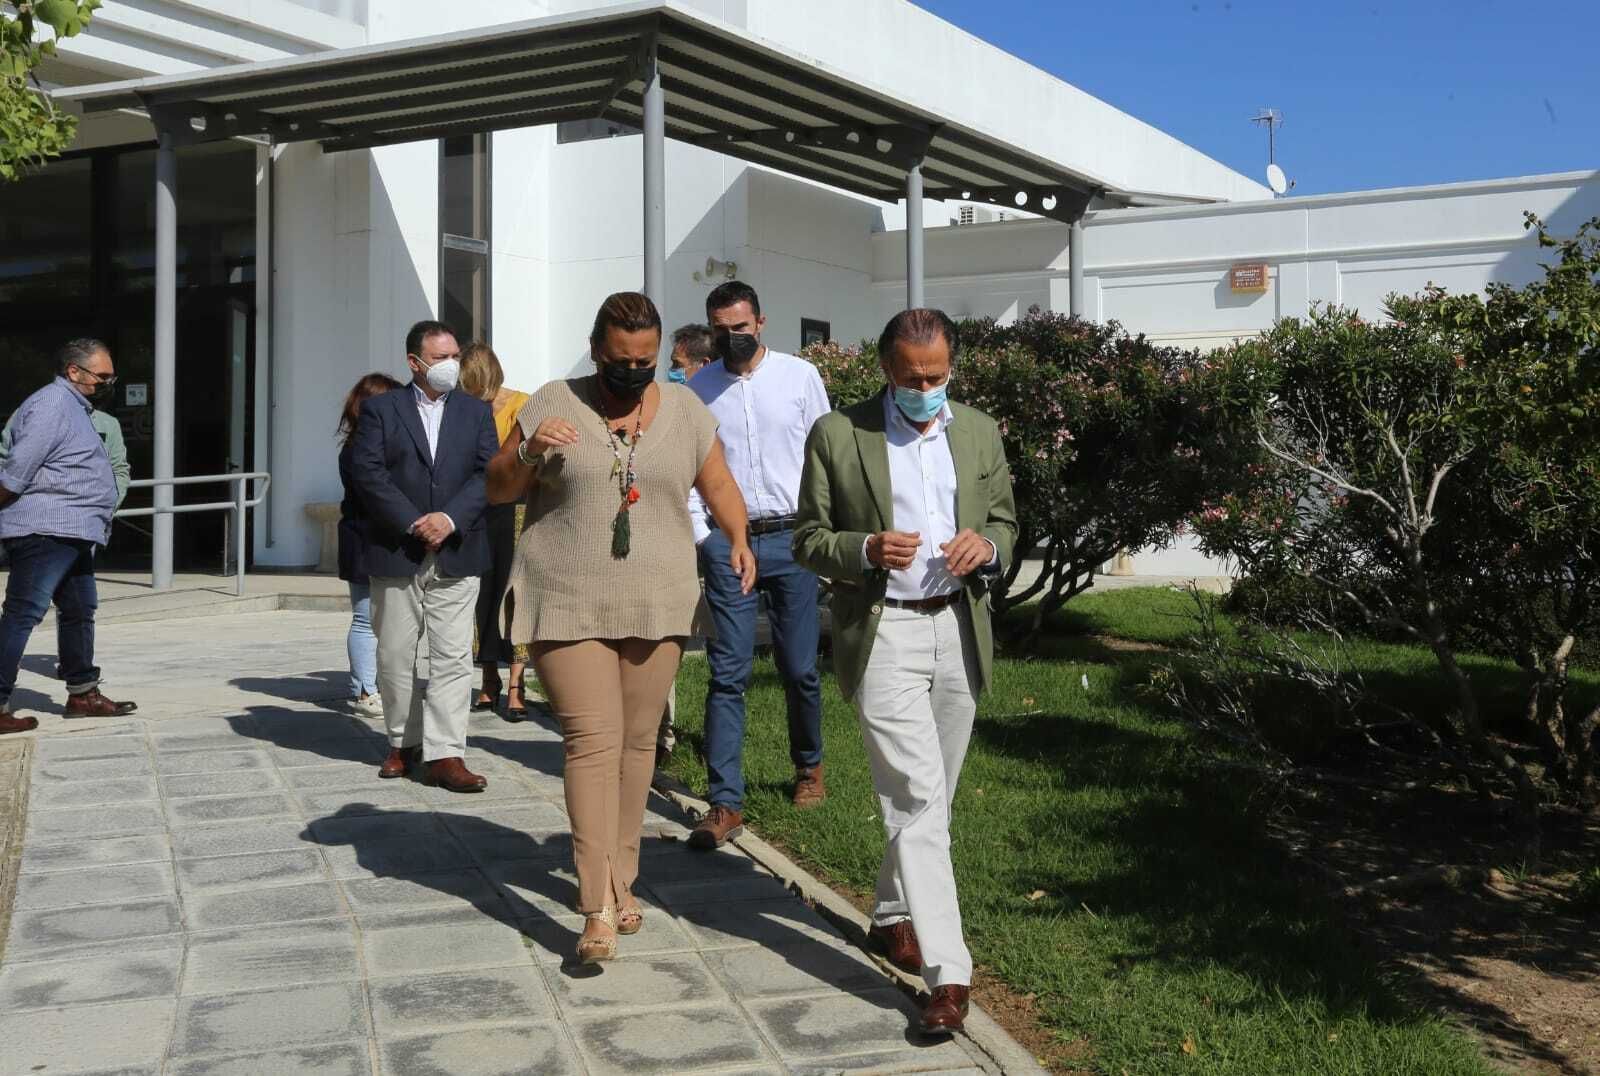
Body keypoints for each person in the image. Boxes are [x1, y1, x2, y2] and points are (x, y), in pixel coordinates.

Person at [486, 291, 755, 964]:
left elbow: (718, 482)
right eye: (620, 359)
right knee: (592, 741)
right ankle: (596, 904)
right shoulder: (552, 400)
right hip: (566, 595)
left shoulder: (686, 410)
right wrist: (529, 453)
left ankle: (622, 877)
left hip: (658, 598)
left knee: (638, 746)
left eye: (645, 360)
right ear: (595, 350)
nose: (633, 370)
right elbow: (497, 488)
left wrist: (739, 537)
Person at [792, 308, 1017, 1036]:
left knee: (934, 795)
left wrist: (989, 547)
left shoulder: (977, 430)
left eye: (938, 375)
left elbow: (1006, 521)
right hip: (882, 628)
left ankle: (891, 913)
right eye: (913, 377)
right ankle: (949, 975)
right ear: (886, 370)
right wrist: (864, 549)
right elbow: (807, 538)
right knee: (916, 794)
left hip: (958, 627)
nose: (927, 389)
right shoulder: (839, 433)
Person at [686, 281, 831, 851]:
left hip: (793, 539)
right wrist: (704, 537)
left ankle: (809, 766)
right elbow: (689, 469)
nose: (732, 338)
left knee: (799, 667)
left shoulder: (800, 377)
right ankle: (725, 801)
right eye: (721, 330)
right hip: (729, 544)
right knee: (728, 671)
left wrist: (823, 535)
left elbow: (825, 457)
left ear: (761, 323)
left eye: (741, 328)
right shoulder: (698, 390)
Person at [348, 320, 499, 792]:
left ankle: (446, 753)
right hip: (398, 549)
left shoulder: (476, 412)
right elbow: (367, 472)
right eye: (440, 358)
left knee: (453, 656)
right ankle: (403, 741)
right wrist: (415, 521)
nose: (451, 365)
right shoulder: (382, 410)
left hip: (458, 549)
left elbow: (487, 474)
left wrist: (449, 519)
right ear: (414, 363)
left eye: (455, 356)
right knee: (395, 654)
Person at [0, 338, 138, 735]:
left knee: (79, 609)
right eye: (102, 376)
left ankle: (82, 694)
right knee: (22, 614)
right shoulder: (51, 404)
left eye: (112, 377)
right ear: (73, 371)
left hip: (75, 529)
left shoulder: (77, 407)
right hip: (46, 529)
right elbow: (17, 469)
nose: (108, 383)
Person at [459, 342, 533, 720]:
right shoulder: (461, 408)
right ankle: (489, 678)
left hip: (517, 508)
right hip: (478, 509)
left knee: (516, 592)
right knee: (482, 594)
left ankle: (517, 683)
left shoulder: (523, 405)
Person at [657, 322, 716, 764]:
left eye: (677, 365)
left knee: (721, 648)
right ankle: (659, 734)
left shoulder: (718, 411)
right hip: (674, 539)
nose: (671, 372)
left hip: (718, 540)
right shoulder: (665, 408)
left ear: (703, 364)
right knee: (660, 636)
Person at [336, 372, 403, 720]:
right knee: (365, 618)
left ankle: (377, 685)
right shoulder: (360, 449)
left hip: (380, 541)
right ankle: (364, 691)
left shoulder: (368, 445)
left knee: (387, 620)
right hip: (364, 541)